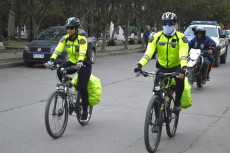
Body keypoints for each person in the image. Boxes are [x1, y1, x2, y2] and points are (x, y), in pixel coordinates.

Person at [134, 12, 189, 112]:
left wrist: (184, 68)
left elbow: (183, 55)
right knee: (156, 92)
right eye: (165, 23)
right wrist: (139, 65)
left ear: (175, 24)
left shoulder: (181, 38)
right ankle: (156, 120)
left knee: (180, 81)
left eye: (170, 23)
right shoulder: (156, 37)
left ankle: (177, 102)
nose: (167, 26)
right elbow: (148, 53)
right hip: (162, 68)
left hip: (177, 67)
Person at [44, 17, 91, 122]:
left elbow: (83, 51)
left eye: (71, 28)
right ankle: (68, 84)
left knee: (82, 87)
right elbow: (58, 49)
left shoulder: (82, 39)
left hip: (84, 64)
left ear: (76, 29)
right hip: (73, 61)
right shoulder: (64, 38)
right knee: (59, 70)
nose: (69, 30)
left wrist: (80, 62)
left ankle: (85, 111)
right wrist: (51, 60)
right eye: (67, 28)